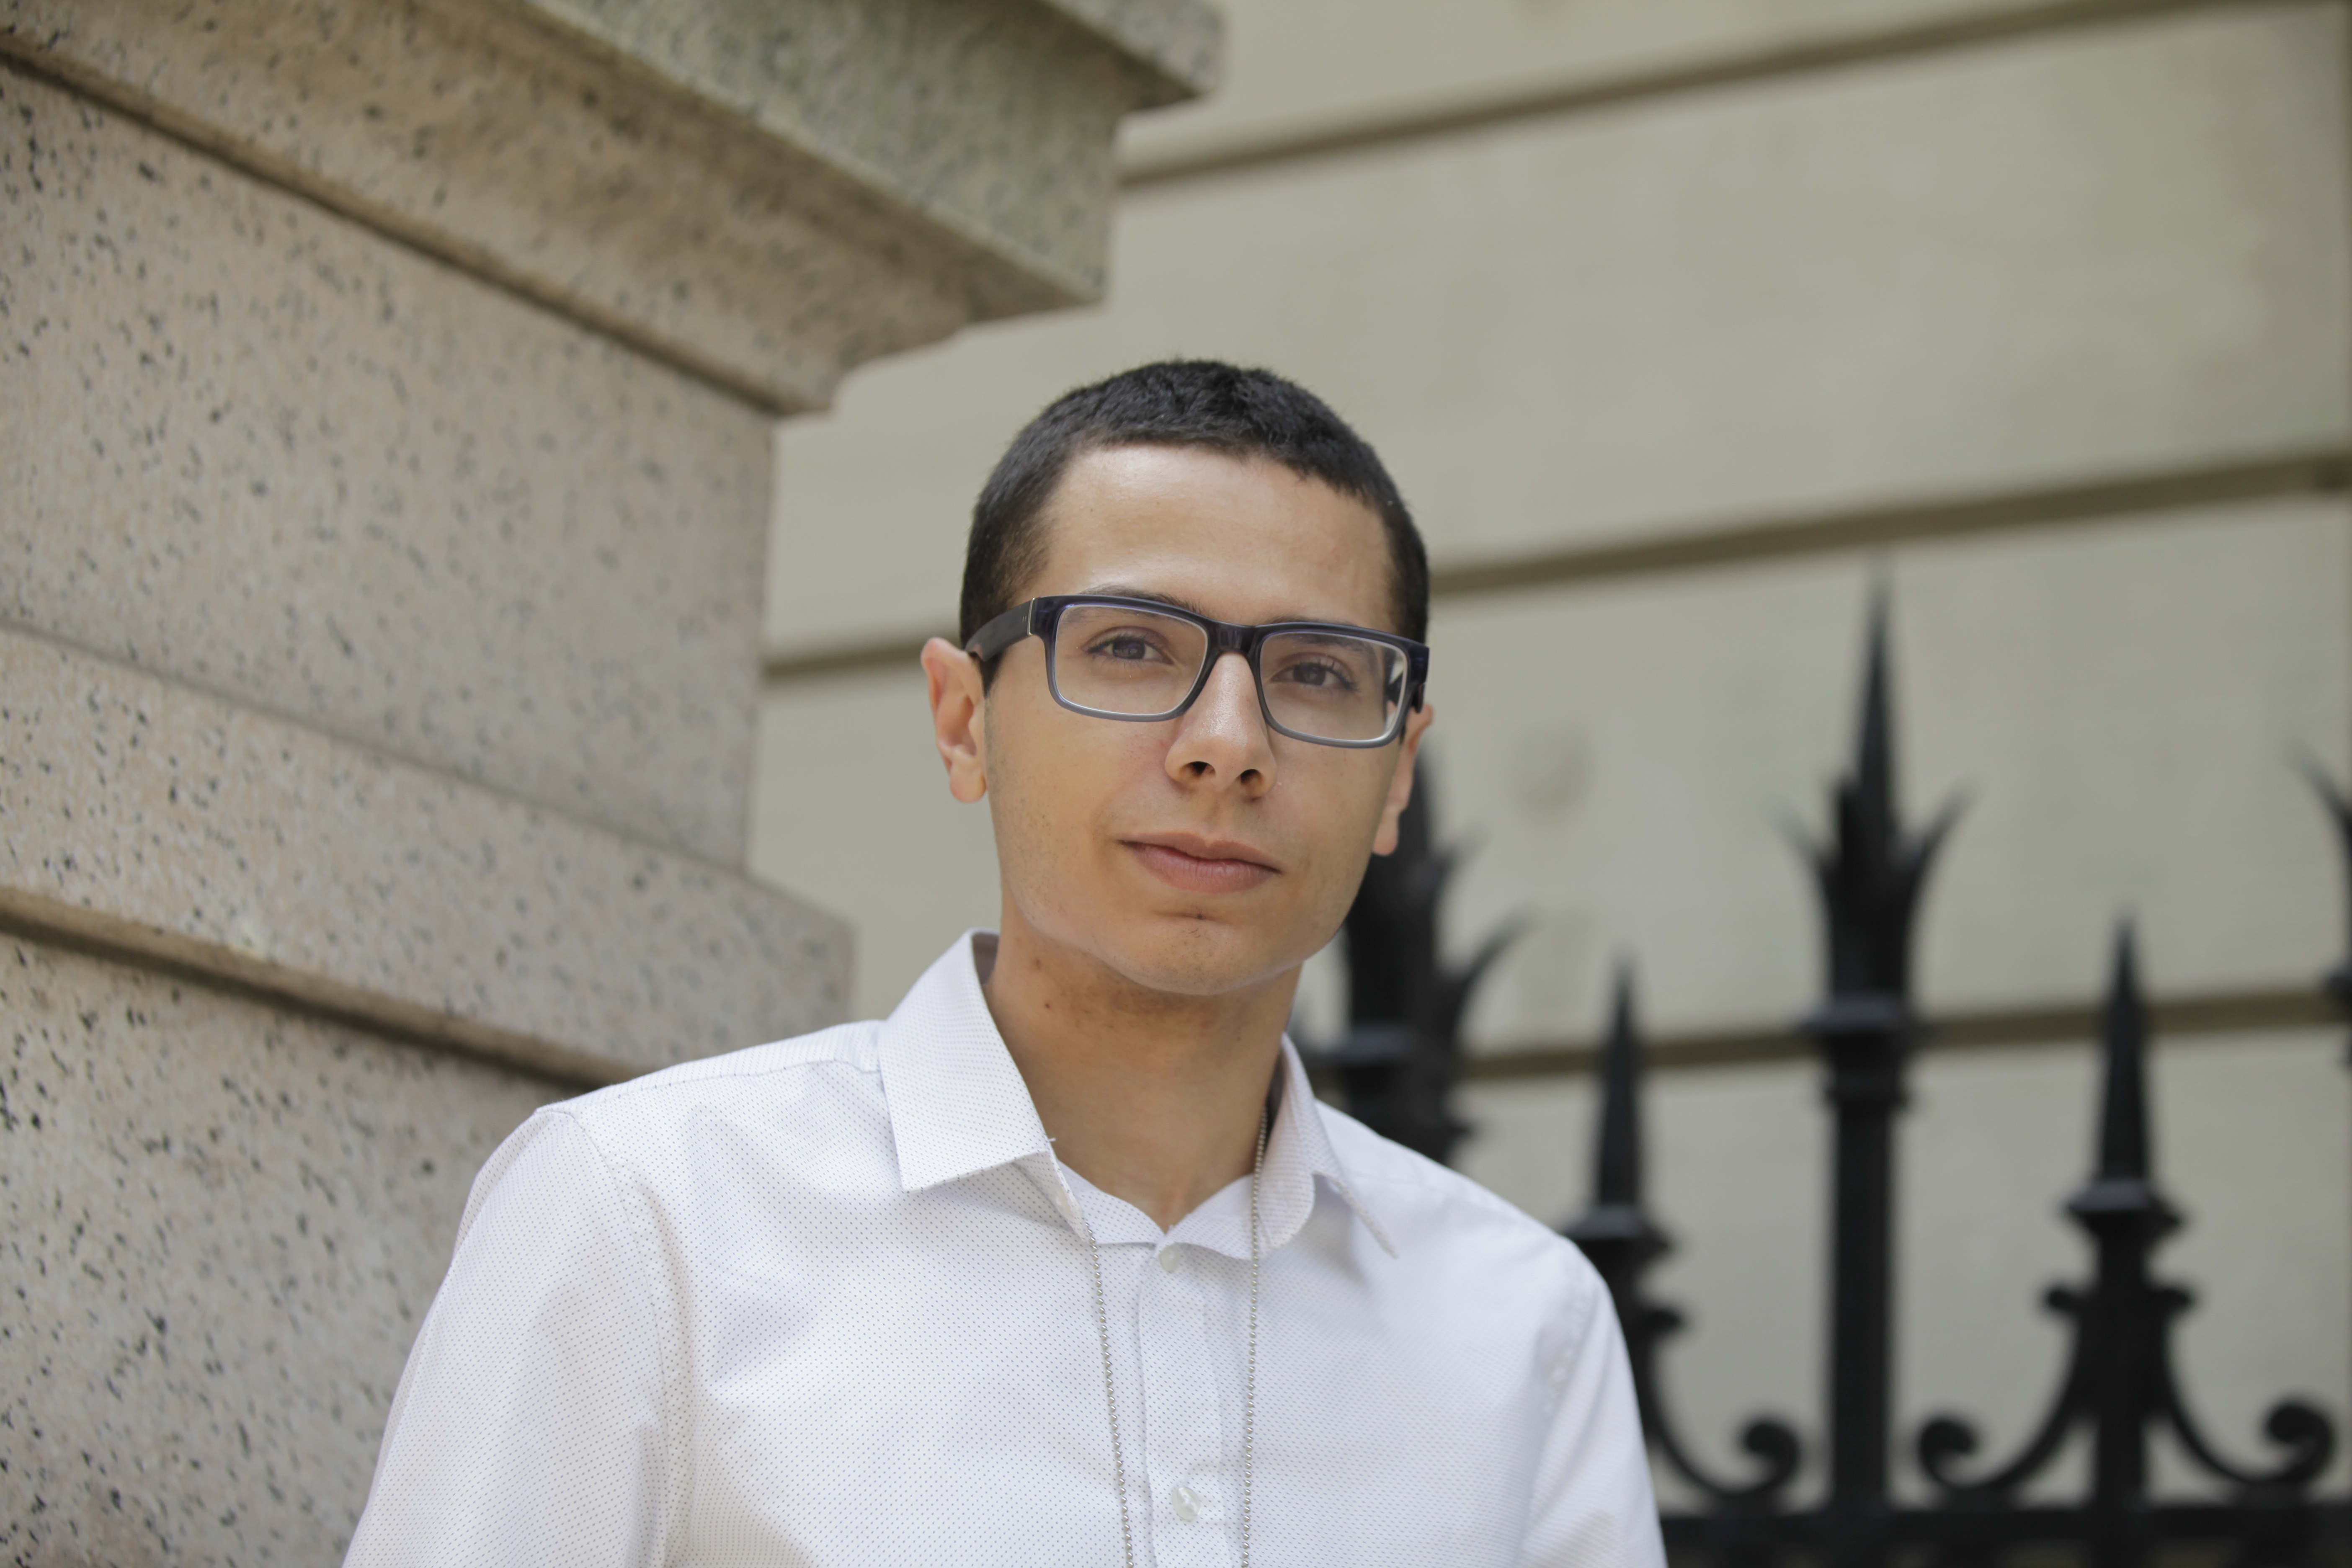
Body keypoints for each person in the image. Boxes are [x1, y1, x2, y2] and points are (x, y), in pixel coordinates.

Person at [344, 361, 1664, 1567]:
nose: (1228, 744)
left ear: (1397, 779)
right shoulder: (647, 1221)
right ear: (965, 721)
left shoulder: (1522, 1329)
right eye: (1132, 647)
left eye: (1317, 672)